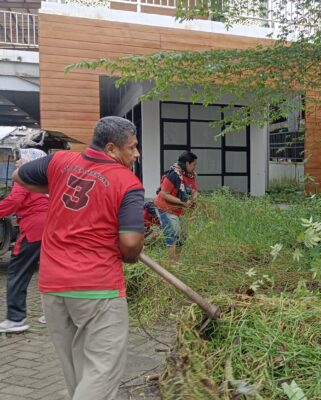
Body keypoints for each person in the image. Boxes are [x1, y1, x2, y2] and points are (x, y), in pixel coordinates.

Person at [13, 116, 144, 400]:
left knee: (77, 367)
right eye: (131, 147)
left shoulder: (59, 162)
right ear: (111, 149)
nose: (136, 154)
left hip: (53, 285)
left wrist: (55, 189)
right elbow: (131, 243)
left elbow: (20, 177)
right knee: (102, 370)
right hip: (98, 288)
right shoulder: (127, 183)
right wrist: (131, 255)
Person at [0, 149, 49, 333]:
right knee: (49, 271)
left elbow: (14, 201)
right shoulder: (44, 181)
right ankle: (53, 314)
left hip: (34, 229)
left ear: (30, 162)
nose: (17, 163)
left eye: (20, 159)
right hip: (52, 228)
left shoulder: (24, 178)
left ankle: (16, 318)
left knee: (17, 272)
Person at [154, 151, 198, 260]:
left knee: (182, 235)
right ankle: (172, 265)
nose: (194, 167)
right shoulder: (173, 175)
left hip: (179, 209)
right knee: (172, 235)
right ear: (187, 163)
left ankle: (176, 261)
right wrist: (182, 202)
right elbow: (163, 194)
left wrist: (194, 196)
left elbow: (194, 190)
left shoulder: (190, 175)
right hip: (166, 208)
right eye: (193, 164)